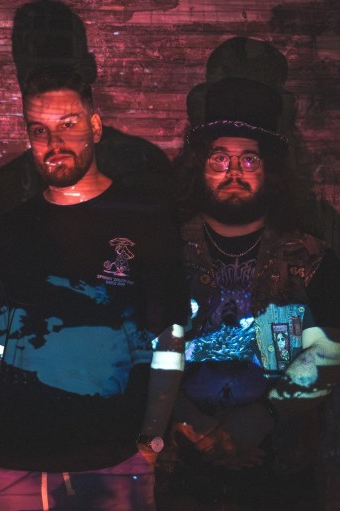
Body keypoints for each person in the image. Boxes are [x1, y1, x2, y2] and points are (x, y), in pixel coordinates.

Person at [0, 68, 188, 510]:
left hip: (115, 460)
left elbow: (170, 335)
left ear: (95, 126)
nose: (55, 143)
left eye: (68, 125)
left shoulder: (144, 218)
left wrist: (151, 443)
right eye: (40, 130)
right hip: (17, 465)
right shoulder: (9, 229)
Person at [160, 76, 340, 510]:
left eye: (249, 160)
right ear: (200, 165)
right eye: (220, 159)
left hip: (282, 471)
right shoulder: (162, 250)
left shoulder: (310, 256)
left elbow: (333, 348)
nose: (234, 172)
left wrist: (262, 417)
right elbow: (131, 343)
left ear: (270, 170)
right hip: (178, 466)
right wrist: (191, 422)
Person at [0, 0, 171, 224]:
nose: (50, 89)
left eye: (60, 72)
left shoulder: (143, 166)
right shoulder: (2, 192)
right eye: (36, 74)